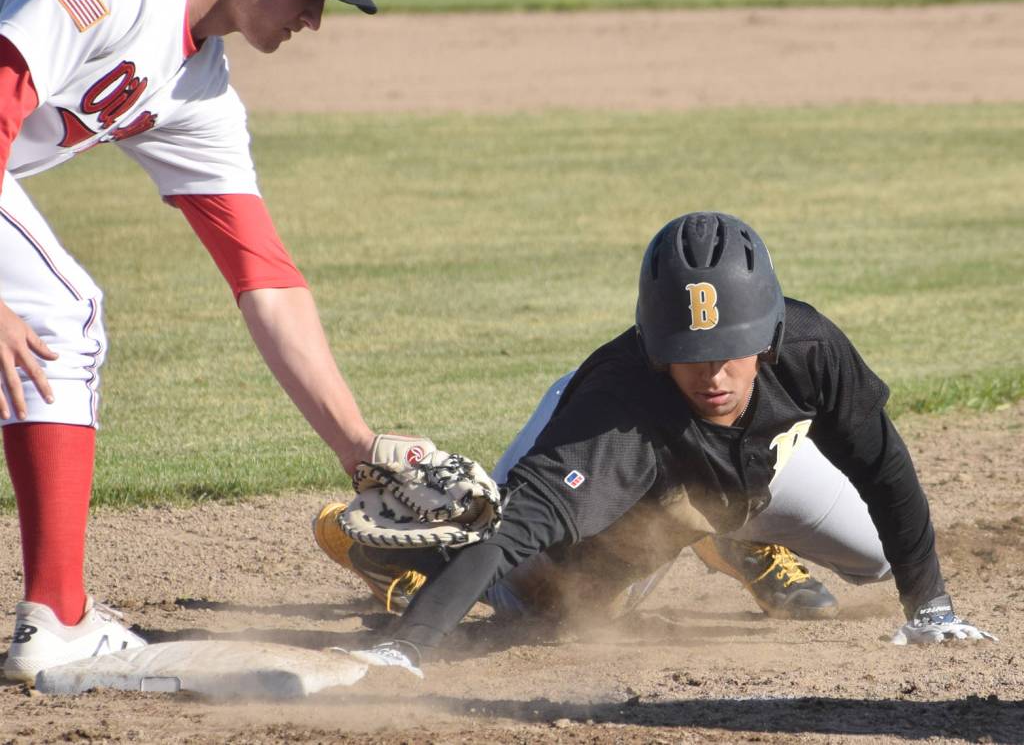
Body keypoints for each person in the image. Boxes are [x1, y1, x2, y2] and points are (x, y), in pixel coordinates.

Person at [0, 0, 434, 683]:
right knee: (64, 316)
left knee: (53, 315)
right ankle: (58, 619)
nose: (316, 16)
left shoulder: (196, 87)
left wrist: (361, 451)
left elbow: (262, 273)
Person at [315, 211, 994, 674]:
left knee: (879, 558)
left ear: (768, 335)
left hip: (752, 473)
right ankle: (412, 563)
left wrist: (930, 608)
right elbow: (518, 528)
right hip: (635, 473)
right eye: (689, 353)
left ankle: (734, 538)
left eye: (731, 350)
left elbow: (884, 469)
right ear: (655, 347)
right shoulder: (617, 406)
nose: (713, 372)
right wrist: (410, 649)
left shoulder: (813, 348)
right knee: (550, 607)